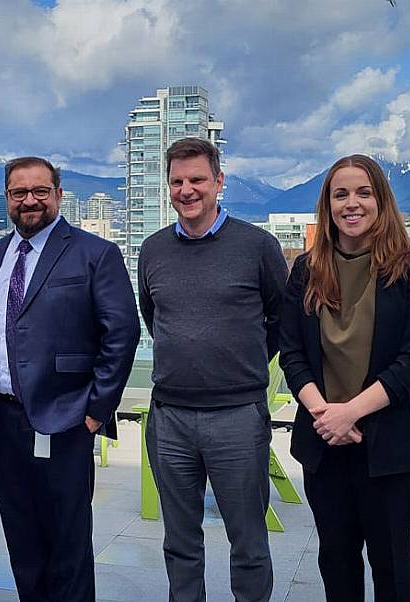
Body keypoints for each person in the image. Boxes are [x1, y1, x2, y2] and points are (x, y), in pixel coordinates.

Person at [0, 156, 139, 601]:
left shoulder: (94, 253)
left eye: (40, 191)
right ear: (6, 198)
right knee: (22, 542)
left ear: (59, 195)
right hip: (3, 421)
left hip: (66, 420)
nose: (30, 201)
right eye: (19, 192)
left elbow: (121, 333)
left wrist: (96, 410)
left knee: (67, 545)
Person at [280, 154, 410, 602]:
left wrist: (349, 412)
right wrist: (325, 416)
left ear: (381, 201)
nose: (352, 203)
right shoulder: (306, 270)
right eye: (341, 194)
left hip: (389, 448)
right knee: (336, 564)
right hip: (324, 445)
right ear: (328, 205)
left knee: (391, 569)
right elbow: (292, 353)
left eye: (363, 192)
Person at [138, 137, 286, 602]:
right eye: (177, 181)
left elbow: (280, 320)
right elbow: (153, 317)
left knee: (248, 543)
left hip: (237, 417)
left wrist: (235, 367)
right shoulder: (152, 249)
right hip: (170, 419)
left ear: (218, 182)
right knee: (180, 544)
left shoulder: (258, 246)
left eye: (197, 179)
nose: (187, 190)